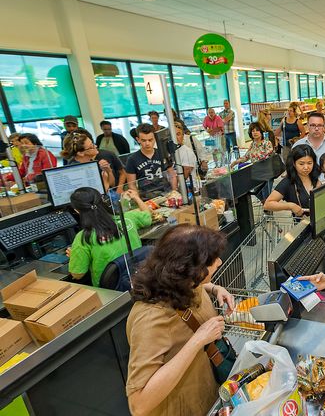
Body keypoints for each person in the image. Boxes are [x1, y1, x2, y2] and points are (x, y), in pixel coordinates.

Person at [126, 225, 235, 416]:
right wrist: (197, 341)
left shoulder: (183, 284)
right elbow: (139, 404)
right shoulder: (150, 319)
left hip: (208, 394)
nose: (219, 262)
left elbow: (199, 285)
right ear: (191, 269)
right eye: (212, 260)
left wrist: (215, 288)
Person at [67, 186, 152, 286]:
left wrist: (74, 255)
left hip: (111, 291)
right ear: (102, 200)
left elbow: (77, 274)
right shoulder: (128, 218)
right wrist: (136, 197)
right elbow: (148, 216)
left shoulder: (83, 238)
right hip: (140, 279)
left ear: (77, 210)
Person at [264, 145, 320, 216]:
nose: (306, 167)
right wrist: (290, 206)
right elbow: (267, 204)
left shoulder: (316, 176)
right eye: (301, 164)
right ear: (294, 163)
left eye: (309, 163)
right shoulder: (288, 182)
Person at [125, 124, 177, 198]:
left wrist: (174, 192)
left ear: (155, 139)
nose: (147, 143)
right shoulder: (132, 159)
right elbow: (131, 184)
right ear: (138, 139)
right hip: (146, 197)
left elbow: (172, 175)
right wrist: (139, 200)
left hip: (166, 194)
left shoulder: (162, 153)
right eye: (144, 140)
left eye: (150, 140)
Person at [293, 112, 325, 183]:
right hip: (305, 190)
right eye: (313, 125)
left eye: (320, 125)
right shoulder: (298, 145)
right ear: (308, 126)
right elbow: (292, 170)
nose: (316, 128)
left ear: (324, 126)